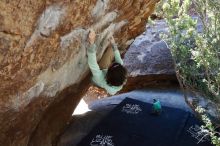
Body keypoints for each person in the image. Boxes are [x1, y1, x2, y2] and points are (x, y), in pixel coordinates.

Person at [87, 29, 127, 95]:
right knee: (111, 49)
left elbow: (93, 64)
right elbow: (119, 59)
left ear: (108, 74)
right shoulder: (122, 77)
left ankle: (94, 83)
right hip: (107, 82)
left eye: (111, 66)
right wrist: (113, 43)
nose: (111, 64)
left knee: (96, 70)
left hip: (96, 80)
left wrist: (92, 42)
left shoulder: (100, 78)